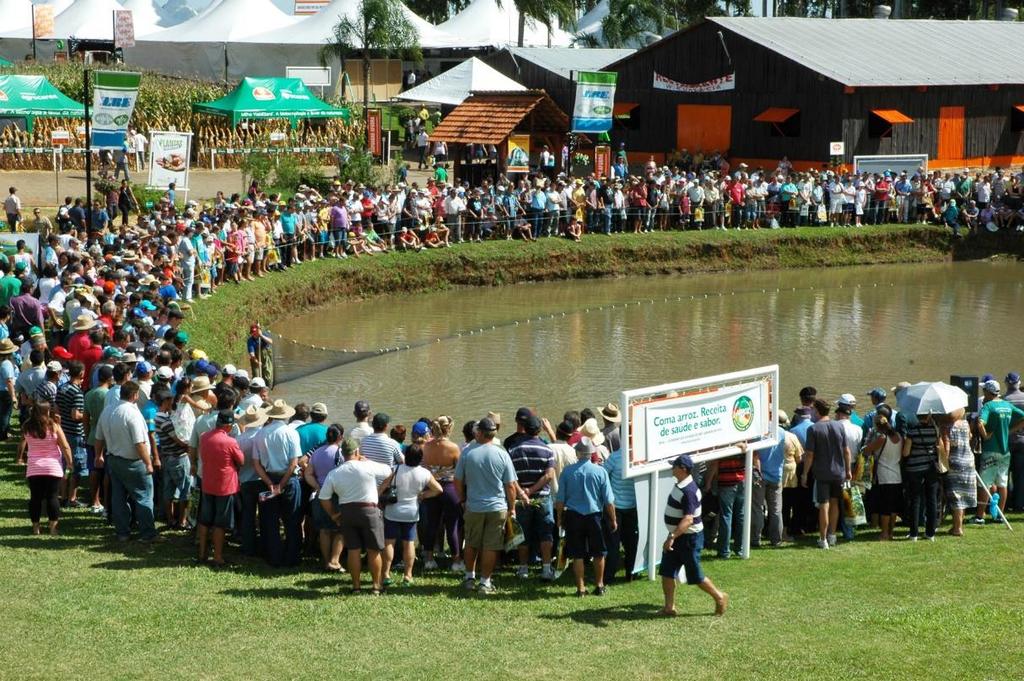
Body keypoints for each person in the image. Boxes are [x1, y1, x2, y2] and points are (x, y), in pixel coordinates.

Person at [318, 438, 392, 594]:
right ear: (357, 452)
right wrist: (379, 489)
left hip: (347, 512)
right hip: (369, 511)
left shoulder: (335, 473)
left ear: (343, 454)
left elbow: (323, 497)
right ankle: (376, 587)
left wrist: (333, 515)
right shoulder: (367, 466)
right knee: (374, 550)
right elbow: (389, 471)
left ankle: (356, 587)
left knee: (353, 550)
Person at [454, 417, 517, 594]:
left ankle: (469, 577)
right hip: (497, 507)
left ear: (480, 433)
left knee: (472, 542)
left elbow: (457, 480)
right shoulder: (502, 453)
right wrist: (511, 508)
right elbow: (510, 485)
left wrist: (463, 499)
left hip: (473, 506)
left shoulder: (467, 453)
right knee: (491, 545)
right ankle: (485, 582)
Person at [660, 454, 728, 617]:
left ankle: (719, 597)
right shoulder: (682, 484)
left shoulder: (689, 490)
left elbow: (688, 519)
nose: (672, 468)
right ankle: (669, 607)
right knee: (667, 571)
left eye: (674, 466)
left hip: (688, 539)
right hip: (679, 537)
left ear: (682, 469)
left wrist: (672, 537)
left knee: (696, 576)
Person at [94, 381, 158, 542]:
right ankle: (147, 533)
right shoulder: (132, 414)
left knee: (118, 497)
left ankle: (122, 531)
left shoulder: (108, 410)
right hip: (134, 462)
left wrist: (98, 455)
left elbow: (99, 437)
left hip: (114, 459)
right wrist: (148, 463)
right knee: (144, 497)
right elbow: (139, 442)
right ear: (135, 395)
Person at [555, 437, 616, 597]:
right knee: (599, 552)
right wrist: (613, 519)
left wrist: (560, 518)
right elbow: (609, 501)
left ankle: (581, 588)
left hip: (574, 516)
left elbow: (560, 499)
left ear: (577, 453)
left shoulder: (567, 472)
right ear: (592, 453)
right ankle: (600, 585)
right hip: (595, 516)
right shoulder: (600, 471)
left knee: (577, 554)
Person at [380, 444, 442, 586]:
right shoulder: (424, 473)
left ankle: (386, 574)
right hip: (411, 512)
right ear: (421, 458)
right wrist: (423, 495)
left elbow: (383, 487)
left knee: (389, 542)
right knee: (409, 544)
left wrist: (377, 500)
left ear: (406, 455)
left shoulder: (395, 469)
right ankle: (408, 576)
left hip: (392, 511)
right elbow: (438, 490)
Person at [253, 399, 303, 567]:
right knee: (292, 520)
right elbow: (293, 463)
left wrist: (269, 484)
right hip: (288, 480)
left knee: (270, 520)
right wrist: (281, 484)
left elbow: (256, 463)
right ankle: (292, 557)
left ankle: (273, 556)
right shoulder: (291, 433)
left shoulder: (261, 433)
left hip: (268, 478)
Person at [508, 414, 556, 581]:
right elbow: (549, 475)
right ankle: (546, 568)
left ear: (525, 430)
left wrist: (523, 492)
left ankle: (523, 569)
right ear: (539, 430)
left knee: (523, 534)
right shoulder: (547, 450)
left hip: (522, 500)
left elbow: (511, 478)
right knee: (546, 533)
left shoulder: (513, 450)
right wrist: (533, 489)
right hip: (542, 498)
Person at [801, 399, 851, 549]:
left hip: (822, 473)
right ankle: (832, 535)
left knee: (824, 504)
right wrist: (848, 470)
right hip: (839, 472)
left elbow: (809, 454)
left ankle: (823, 539)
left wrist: (804, 474)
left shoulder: (813, 429)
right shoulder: (839, 426)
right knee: (835, 502)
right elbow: (846, 451)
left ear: (817, 411)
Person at [197, 410, 244, 567]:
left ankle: (202, 554)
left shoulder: (204, 437)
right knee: (220, 523)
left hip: (207, 483)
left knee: (204, 520)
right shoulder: (230, 442)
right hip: (224, 486)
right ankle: (217, 556)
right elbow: (241, 461)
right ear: (229, 426)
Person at [974, 379, 1024, 523]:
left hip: (990, 450)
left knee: (985, 483)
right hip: (1005, 451)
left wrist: (985, 436)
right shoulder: (1006, 405)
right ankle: (999, 515)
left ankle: (979, 516)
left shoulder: (988, 406)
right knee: (1003, 483)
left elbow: (980, 423)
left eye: (984, 390)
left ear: (988, 392)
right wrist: (1010, 430)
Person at [22, 402, 73, 535]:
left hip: (34, 467)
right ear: (47, 411)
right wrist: (70, 463)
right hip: (53, 467)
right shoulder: (54, 426)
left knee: (35, 498)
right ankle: (53, 528)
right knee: (52, 497)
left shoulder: (27, 426)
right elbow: (65, 446)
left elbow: (25, 442)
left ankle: (35, 528)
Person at [420, 415, 463, 571]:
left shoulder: (426, 447)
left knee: (431, 524)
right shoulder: (453, 448)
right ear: (449, 428)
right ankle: (457, 561)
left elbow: (423, 468)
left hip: (431, 488)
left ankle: (429, 559)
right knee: (452, 526)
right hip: (449, 488)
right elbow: (459, 473)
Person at [304, 424, 345, 571]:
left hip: (320, 495)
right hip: (336, 495)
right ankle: (336, 561)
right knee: (340, 528)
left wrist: (317, 487)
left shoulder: (317, 452)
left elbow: (308, 473)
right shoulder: (340, 453)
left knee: (324, 530)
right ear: (340, 437)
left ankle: (326, 561)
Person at [861, 405, 903, 541]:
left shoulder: (881, 438)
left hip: (884, 475)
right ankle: (891, 531)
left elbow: (867, 450)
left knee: (885, 506)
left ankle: (884, 533)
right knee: (894, 506)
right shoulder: (898, 437)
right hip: (896, 474)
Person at [902, 412, 939, 541]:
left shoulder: (912, 431)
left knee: (915, 500)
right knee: (932, 499)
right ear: (928, 416)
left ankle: (914, 533)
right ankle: (930, 533)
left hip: (915, 468)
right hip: (931, 468)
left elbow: (906, 453)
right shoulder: (934, 430)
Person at [938, 408, 975, 537]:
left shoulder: (945, 427)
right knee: (964, 494)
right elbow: (970, 437)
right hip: (968, 460)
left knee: (956, 495)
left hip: (954, 463)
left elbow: (946, 447)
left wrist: (944, 463)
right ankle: (957, 525)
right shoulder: (965, 423)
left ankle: (957, 528)